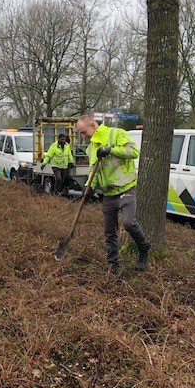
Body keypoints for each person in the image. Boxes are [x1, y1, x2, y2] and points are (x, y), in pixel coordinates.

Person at [75, 114, 151, 271]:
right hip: (108, 193)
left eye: (83, 132)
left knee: (128, 223)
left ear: (93, 125)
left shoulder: (116, 133)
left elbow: (134, 152)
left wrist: (110, 150)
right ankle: (113, 265)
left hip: (126, 188)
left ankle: (144, 247)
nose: (82, 136)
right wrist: (88, 188)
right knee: (109, 232)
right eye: (80, 133)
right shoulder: (91, 148)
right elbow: (93, 171)